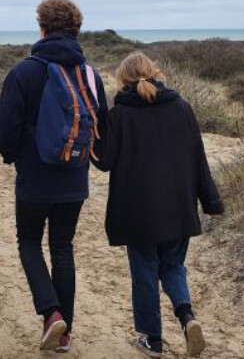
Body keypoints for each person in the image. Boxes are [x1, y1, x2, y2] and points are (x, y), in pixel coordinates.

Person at [0, 0, 108, 353]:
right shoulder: (90, 74)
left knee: (28, 242)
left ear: (41, 28)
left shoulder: (24, 71)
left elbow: (4, 128)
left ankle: (51, 313)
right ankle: (65, 333)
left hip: (34, 178)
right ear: (76, 30)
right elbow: (102, 125)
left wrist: (14, 157)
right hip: (73, 179)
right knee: (62, 248)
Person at [93, 52, 224, 358]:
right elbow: (198, 159)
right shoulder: (182, 108)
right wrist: (212, 202)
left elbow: (104, 162)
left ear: (122, 79)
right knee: (173, 266)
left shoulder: (119, 114)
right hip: (179, 205)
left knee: (145, 272)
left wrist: (95, 130)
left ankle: (152, 340)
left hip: (137, 210)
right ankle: (187, 316)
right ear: (154, 72)